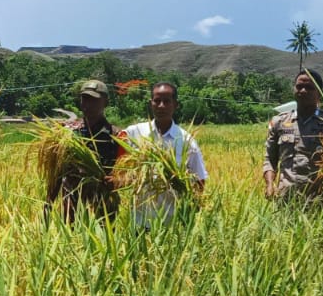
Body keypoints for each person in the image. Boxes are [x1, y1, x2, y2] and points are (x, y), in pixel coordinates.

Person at [123, 81, 207, 227]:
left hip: (173, 223)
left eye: (167, 101)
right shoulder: (134, 133)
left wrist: (194, 206)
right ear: (151, 103)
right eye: (157, 101)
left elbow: (199, 180)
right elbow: (118, 160)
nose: (161, 106)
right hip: (139, 220)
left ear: (175, 105)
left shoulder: (186, 141)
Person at [49, 79, 124, 222]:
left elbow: (126, 170)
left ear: (105, 102)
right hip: (72, 204)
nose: (88, 104)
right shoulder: (68, 133)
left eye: (94, 100)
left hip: (103, 204)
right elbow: (57, 172)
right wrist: (48, 203)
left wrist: (118, 180)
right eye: (85, 99)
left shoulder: (117, 136)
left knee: (104, 236)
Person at [263, 69, 323, 215]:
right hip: (287, 200)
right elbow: (269, 159)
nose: (303, 91)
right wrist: (270, 184)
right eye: (299, 86)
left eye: (309, 88)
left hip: (322, 202)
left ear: (319, 93)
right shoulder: (279, 122)